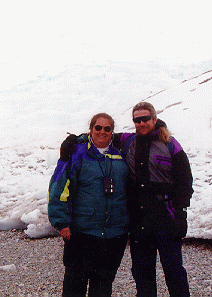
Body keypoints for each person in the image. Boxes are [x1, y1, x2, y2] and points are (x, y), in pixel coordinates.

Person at [61, 102, 194, 296]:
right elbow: (102, 135)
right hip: (139, 221)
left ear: (154, 119)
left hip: (166, 217)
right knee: (142, 274)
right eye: (137, 119)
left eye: (145, 119)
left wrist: (181, 214)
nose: (141, 123)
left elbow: (185, 182)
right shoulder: (128, 140)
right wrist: (76, 140)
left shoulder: (171, 145)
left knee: (174, 272)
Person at [48, 113, 129, 297]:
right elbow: (59, 188)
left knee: (103, 284)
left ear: (112, 132)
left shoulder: (120, 155)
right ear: (91, 129)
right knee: (75, 283)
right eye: (98, 127)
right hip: (82, 232)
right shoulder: (76, 153)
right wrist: (61, 222)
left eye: (107, 128)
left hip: (114, 234)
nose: (102, 132)